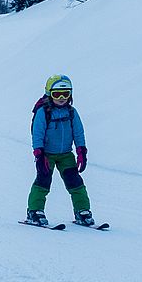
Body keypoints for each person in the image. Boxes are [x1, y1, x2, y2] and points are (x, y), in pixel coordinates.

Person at [25, 74, 94, 227]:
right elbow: (37, 133)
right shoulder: (44, 112)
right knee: (43, 182)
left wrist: (81, 151)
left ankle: (82, 211)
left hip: (66, 155)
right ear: (50, 94)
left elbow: (78, 132)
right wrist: (39, 154)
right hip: (47, 155)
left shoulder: (71, 112)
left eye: (66, 93)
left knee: (75, 182)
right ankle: (34, 211)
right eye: (57, 94)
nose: (62, 97)